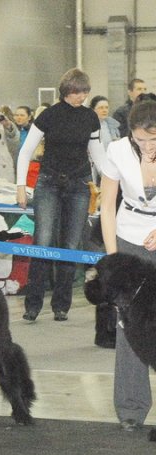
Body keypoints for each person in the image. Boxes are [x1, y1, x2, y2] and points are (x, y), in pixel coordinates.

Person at [15, 68, 106, 322]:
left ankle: (61, 306)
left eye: (86, 92)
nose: (83, 96)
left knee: (70, 245)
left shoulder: (90, 118)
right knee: (42, 242)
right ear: (67, 91)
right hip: (48, 183)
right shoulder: (48, 115)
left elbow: (98, 154)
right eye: (79, 92)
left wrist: (113, 179)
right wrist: (21, 185)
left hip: (79, 184)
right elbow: (25, 151)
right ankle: (32, 304)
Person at [99, 99, 156, 432]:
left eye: (153, 140)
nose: (147, 146)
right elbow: (106, 206)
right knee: (130, 326)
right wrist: (113, 258)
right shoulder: (118, 150)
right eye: (140, 140)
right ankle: (131, 408)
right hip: (129, 238)